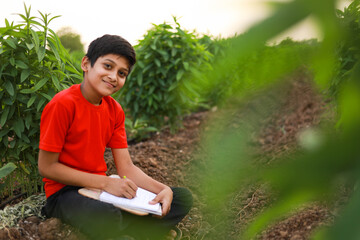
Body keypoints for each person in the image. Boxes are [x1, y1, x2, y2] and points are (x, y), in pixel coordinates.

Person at [38, 34, 193, 239]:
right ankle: (140, 231)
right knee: (106, 216)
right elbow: (47, 167)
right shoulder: (63, 104)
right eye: (108, 66)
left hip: (102, 192)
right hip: (65, 194)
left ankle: (128, 231)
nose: (113, 77)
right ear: (86, 63)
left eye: (122, 73)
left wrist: (164, 189)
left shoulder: (114, 110)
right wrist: (105, 183)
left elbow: (126, 168)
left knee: (181, 198)